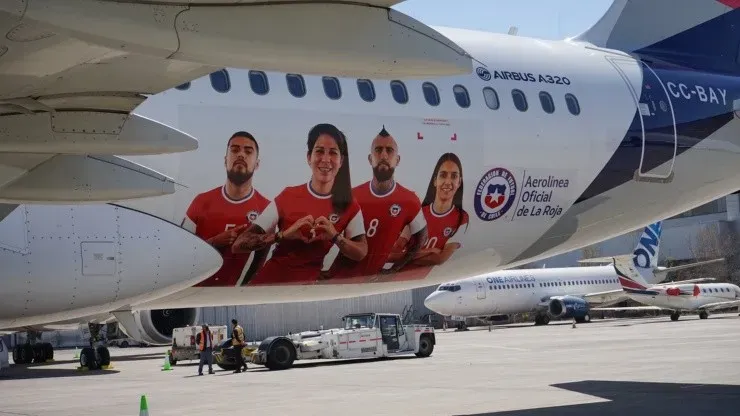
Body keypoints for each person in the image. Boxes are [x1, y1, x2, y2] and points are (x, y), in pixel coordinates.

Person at [231, 123, 368, 284]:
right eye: (319, 151)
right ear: (309, 157)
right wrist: (282, 235)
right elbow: (238, 244)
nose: (325, 159)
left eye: (333, 153)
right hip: (266, 287)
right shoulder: (288, 196)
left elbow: (361, 252)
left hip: (303, 294)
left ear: (341, 160)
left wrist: (335, 237)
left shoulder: (349, 205)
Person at [327, 126, 427, 281]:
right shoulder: (353, 196)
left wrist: (395, 269)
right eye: (378, 150)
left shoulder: (409, 200)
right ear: (370, 158)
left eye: (389, 150)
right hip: (338, 278)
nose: (384, 155)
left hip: (370, 281)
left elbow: (421, 239)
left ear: (397, 159)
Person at [181, 131, 271, 286]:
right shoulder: (201, 201)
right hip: (194, 294)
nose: (241, 155)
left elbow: (260, 263)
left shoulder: (267, 209)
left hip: (233, 297)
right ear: (225, 160)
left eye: (248, 152)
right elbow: (181, 254)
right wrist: (214, 242)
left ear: (257, 164)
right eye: (235, 150)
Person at [392, 153, 469, 271]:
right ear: (435, 181)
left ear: (459, 182)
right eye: (443, 175)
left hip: (416, 277)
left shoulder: (462, 218)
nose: (448, 182)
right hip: (398, 276)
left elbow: (440, 259)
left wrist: (406, 255)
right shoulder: (418, 213)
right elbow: (394, 253)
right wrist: (430, 251)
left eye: (454, 176)